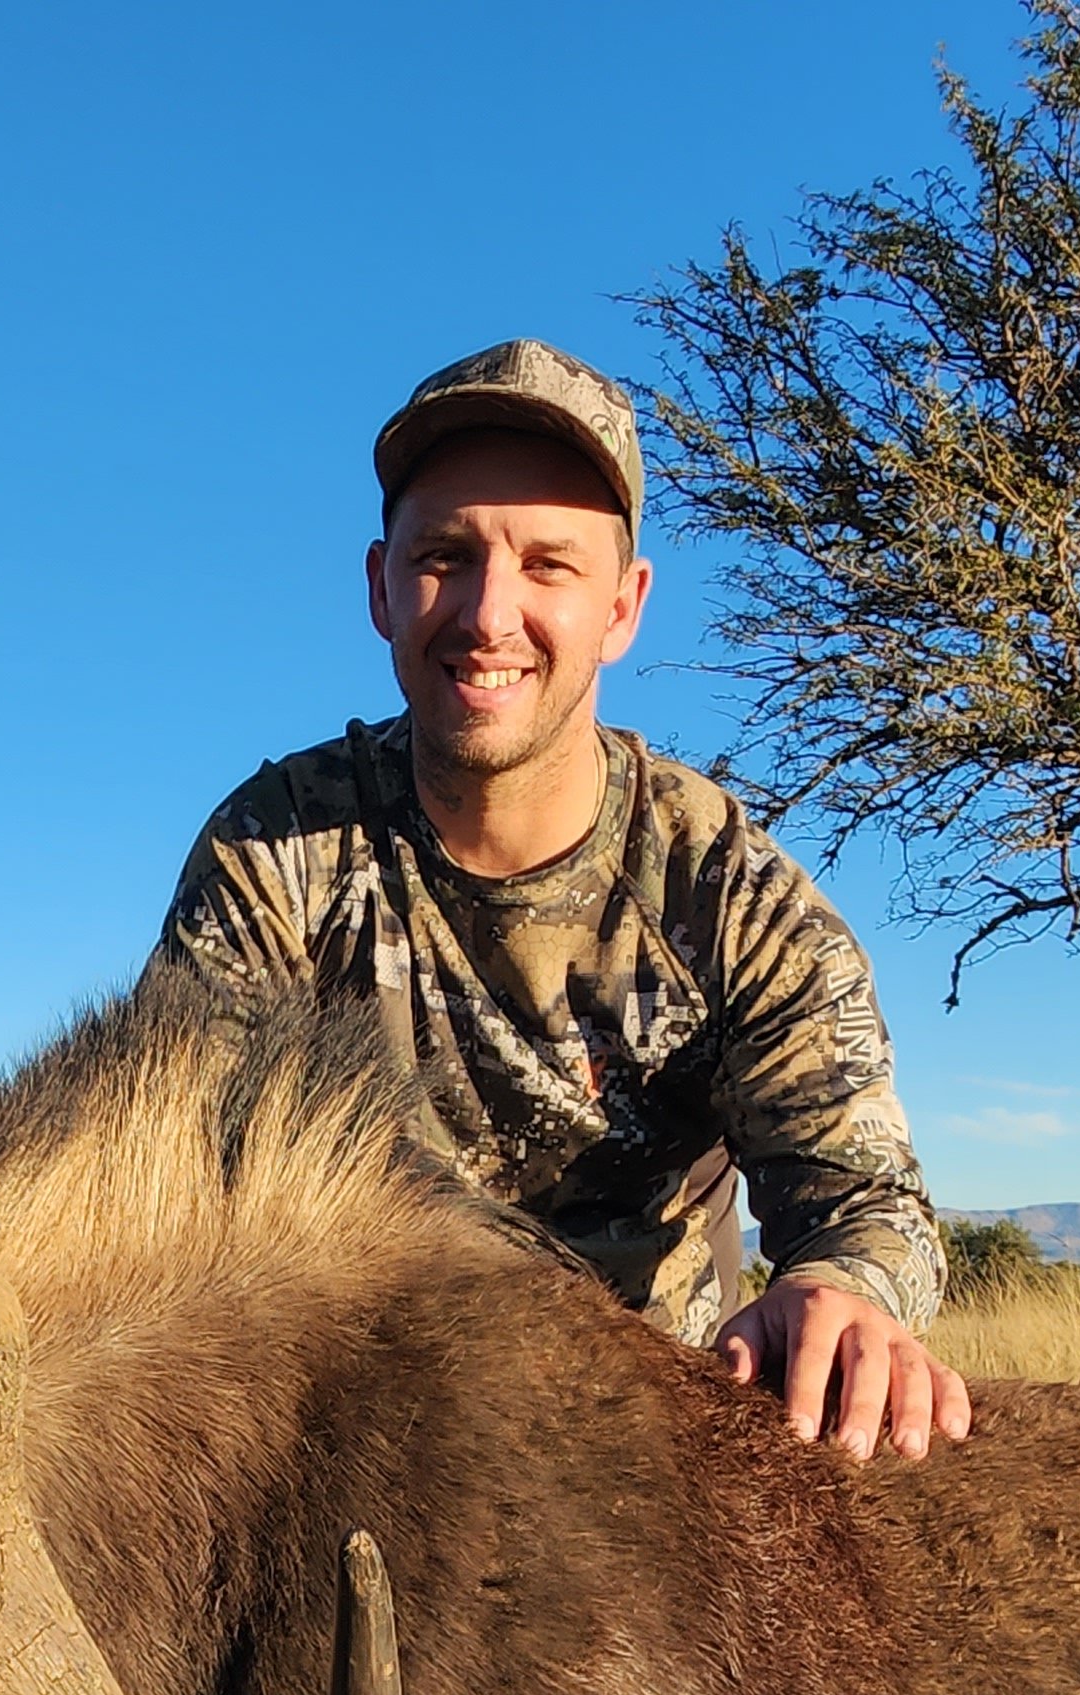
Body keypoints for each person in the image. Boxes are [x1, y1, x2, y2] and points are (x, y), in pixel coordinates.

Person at [136, 338, 971, 1464]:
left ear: (623, 608)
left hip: (656, 1451)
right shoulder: (272, 849)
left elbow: (867, 1202)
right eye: (444, 556)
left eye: (548, 565)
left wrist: (839, 1290)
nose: (486, 615)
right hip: (356, 1428)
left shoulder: (726, 885)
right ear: (380, 587)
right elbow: (175, 1168)